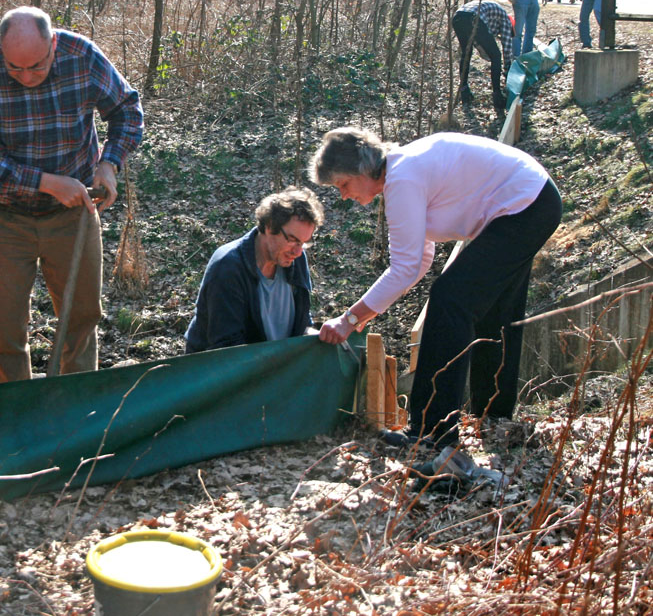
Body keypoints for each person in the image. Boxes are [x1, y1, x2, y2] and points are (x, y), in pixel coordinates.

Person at [311, 128, 561, 448]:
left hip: (526, 203)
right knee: (493, 312)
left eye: (342, 184)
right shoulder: (406, 172)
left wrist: (349, 320)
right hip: (534, 200)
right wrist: (364, 313)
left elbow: (404, 268)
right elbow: (417, 262)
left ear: (361, 169)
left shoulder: (403, 177)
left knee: (449, 301)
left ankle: (431, 430)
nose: (343, 195)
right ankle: (494, 420)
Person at [0, 7, 144, 384]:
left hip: (74, 214)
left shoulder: (82, 56)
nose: (26, 77)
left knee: (81, 319)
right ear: (1, 49)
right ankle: (17, 415)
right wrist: (47, 182)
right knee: (5, 327)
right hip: (5, 218)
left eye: (37, 67)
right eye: (16, 68)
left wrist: (108, 164)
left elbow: (127, 109)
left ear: (53, 45)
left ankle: (75, 409)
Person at [185, 187, 324, 354]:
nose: (298, 251)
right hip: (219, 373)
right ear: (269, 226)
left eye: (303, 243)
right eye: (293, 240)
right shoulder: (228, 267)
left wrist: (321, 338)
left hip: (278, 367)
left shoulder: (297, 259)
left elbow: (302, 323)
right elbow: (226, 349)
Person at [452, 0, 513, 113]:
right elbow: (506, 46)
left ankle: (464, 90)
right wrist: (508, 68)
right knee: (496, 55)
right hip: (473, 17)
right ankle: (497, 95)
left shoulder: (492, 17)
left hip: (457, 17)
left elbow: (479, 43)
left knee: (466, 53)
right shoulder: (505, 20)